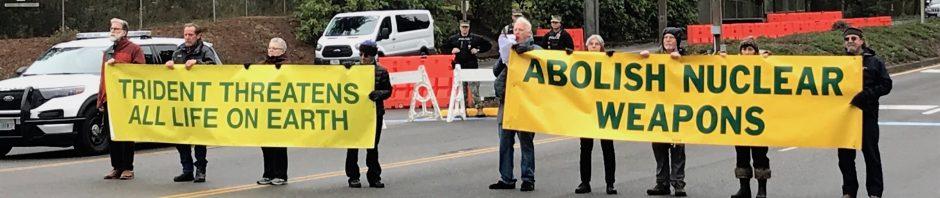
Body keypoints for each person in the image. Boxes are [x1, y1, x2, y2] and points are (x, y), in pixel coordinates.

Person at [489, 17, 541, 192]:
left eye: (520, 30)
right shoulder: (509, 50)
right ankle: (506, 178)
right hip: (507, 102)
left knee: (525, 142)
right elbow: (496, 71)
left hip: (525, 104)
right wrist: (505, 58)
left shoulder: (536, 50)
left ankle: (528, 178)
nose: (516, 33)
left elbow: (549, 67)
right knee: (505, 141)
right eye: (515, 30)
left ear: (528, 33)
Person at [839, 27, 891, 198]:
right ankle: (849, 190)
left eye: (854, 38)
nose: (850, 41)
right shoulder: (838, 63)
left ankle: (875, 192)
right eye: (847, 39)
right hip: (845, 118)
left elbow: (886, 85)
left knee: (871, 156)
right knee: (845, 158)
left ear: (861, 41)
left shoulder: (874, 62)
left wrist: (866, 95)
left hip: (867, 115)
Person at [164, 23, 217, 183]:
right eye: (185, 34)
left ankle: (200, 169)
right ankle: (186, 169)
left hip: (200, 102)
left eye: (190, 35)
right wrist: (169, 67)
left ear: (198, 36)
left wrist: (198, 64)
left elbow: (215, 71)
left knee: (199, 138)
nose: (187, 37)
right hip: (181, 101)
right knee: (181, 137)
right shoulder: (178, 51)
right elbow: (171, 76)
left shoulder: (206, 51)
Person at [721, 37, 771, 198]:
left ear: (755, 52)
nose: (746, 52)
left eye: (750, 49)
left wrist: (766, 57)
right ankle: (744, 188)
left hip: (758, 118)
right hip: (740, 118)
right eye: (744, 49)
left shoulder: (765, 64)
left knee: (760, 155)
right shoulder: (734, 66)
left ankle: (762, 189)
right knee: (741, 154)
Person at [640, 27, 687, 197]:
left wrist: (681, 60)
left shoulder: (686, 57)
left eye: (671, 38)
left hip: (677, 110)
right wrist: (644, 58)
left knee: (677, 149)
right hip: (658, 110)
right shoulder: (655, 57)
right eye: (665, 38)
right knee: (659, 148)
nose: (667, 41)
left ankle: (678, 183)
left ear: (677, 41)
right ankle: (662, 183)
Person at [100, 18, 145, 181]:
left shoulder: (134, 49)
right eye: (111, 28)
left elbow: (139, 72)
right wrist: (101, 99)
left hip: (127, 101)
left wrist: (117, 64)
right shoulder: (108, 52)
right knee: (112, 135)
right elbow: (104, 77)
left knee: (126, 134)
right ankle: (116, 167)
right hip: (110, 100)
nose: (112, 31)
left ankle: (127, 168)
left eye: (116, 29)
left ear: (125, 32)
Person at [345, 40, 393, 189]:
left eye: (366, 55)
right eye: (361, 55)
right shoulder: (354, 70)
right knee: (353, 146)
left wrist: (378, 94)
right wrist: (345, 70)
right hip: (356, 114)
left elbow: (388, 91)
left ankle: (374, 177)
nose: (363, 58)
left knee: (372, 146)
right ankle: (353, 176)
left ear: (372, 56)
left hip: (374, 114)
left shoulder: (382, 71)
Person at [574, 35, 617, 195]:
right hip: (587, 111)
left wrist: (613, 60)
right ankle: (585, 182)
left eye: (596, 44)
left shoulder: (609, 62)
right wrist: (568, 57)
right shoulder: (580, 62)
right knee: (585, 148)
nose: (593, 46)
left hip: (605, 110)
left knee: (607, 147)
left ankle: (610, 183)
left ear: (602, 46)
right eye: (590, 44)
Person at [256, 38, 290, 186]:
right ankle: (268, 173)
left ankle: (281, 174)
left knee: (279, 144)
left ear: (282, 51)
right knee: (266, 144)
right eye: (270, 48)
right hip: (265, 110)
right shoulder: (263, 65)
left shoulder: (288, 66)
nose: (271, 51)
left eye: (275, 49)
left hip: (281, 111)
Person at [442, 20, 491, 110]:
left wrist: (478, 50)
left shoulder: (475, 38)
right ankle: (463, 109)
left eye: (466, 27)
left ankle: (479, 108)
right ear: (460, 27)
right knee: (462, 90)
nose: (464, 29)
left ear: (469, 28)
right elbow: (443, 47)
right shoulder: (454, 38)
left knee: (474, 90)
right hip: (459, 67)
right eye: (463, 27)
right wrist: (451, 50)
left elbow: (488, 45)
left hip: (472, 66)